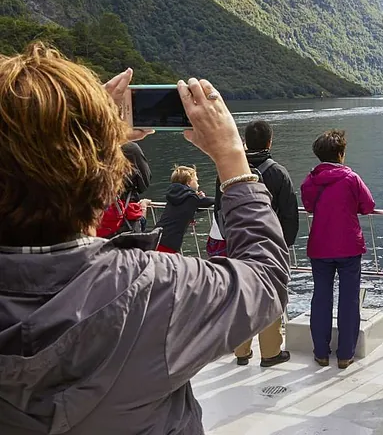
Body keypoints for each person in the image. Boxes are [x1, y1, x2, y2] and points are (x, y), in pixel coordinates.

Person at [0, 43, 289, 435]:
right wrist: (232, 159)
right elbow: (265, 279)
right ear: (109, 181)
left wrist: (90, 140)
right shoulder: (156, 289)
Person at [209, 120, 299, 367]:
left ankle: (241, 350)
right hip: (270, 245)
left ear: (245, 142)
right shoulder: (278, 173)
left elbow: (220, 209)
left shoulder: (227, 171)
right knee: (270, 292)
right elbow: (290, 214)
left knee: (240, 295)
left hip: (236, 244)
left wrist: (230, 238)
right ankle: (270, 352)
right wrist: (284, 244)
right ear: (270, 142)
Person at [301, 129, 375, 370]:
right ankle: (345, 354)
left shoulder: (310, 181)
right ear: (341, 154)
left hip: (320, 247)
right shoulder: (351, 178)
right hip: (349, 246)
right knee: (349, 300)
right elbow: (368, 205)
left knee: (321, 298)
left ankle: (321, 353)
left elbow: (309, 206)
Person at [156, 165, 215, 254]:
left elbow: (190, 205)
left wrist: (197, 197)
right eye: (196, 181)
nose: (198, 184)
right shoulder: (190, 197)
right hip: (170, 241)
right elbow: (204, 202)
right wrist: (221, 198)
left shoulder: (174, 195)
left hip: (158, 235)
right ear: (188, 183)